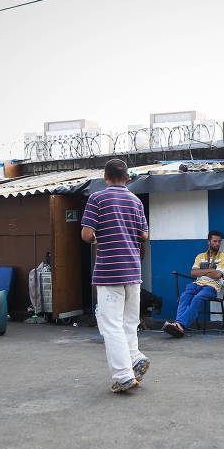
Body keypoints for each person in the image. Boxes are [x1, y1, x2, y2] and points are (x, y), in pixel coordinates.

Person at [81, 159, 150, 393]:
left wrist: (99, 235)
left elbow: (87, 234)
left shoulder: (96, 199)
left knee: (110, 326)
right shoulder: (136, 201)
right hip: (133, 271)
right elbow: (144, 234)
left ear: (105, 177)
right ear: (127, 177)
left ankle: (123, 376)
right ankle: (135, 359)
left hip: (109, 272)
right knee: (129, 324)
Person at [163, 230, 224, 337]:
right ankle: (178, 323)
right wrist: (210, 270)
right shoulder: (200, 256)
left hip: (212, 286)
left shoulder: (223, 257)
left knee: (197, 298)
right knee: (184, 296)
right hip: (197, 284)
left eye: (219, 242)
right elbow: (193, 272)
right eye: (215, 241)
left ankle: (180, 325)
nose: (217, 244)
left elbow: (217, 276)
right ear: (208, 242)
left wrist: (203, 272)